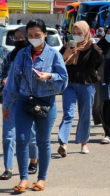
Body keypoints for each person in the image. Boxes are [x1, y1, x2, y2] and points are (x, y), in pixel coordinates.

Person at [2, 19, 68, 192]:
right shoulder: (21, 54)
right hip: (23, 101)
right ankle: (24, 179)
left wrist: (49, 76)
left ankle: (41, 179)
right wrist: (6, 104)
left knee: (42, 141)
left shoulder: (54, 55)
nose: (33, 38)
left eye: (37, 35)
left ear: (45, 34)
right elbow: (12, 83)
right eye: (30, 35)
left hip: (46, 103)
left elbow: (64, 81)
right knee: (22, 140)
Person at [58, 21, 104, 157]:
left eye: (80, 33)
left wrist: (93, 43)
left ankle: (84, 142)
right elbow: (58, 62)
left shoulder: (92, 47)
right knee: (68, 113)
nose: (76, 36)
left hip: (86, 83)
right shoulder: (67, 46)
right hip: (70, 84)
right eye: (73, 33)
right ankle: (63, 143)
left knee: (85, 114)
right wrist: (67, 53)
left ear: (86, 33)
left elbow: (100, 59)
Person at [0, 27, 38, 180]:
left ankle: (34, 159)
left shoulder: (33, 56)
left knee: (31, 135)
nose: (18, 40)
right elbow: (2, 72)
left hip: (27, 100)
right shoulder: (10, 56)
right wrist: (3, 81)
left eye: (21, 37)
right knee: (8, 136)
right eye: (15, 38)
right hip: (10, 99)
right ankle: (8, 167)